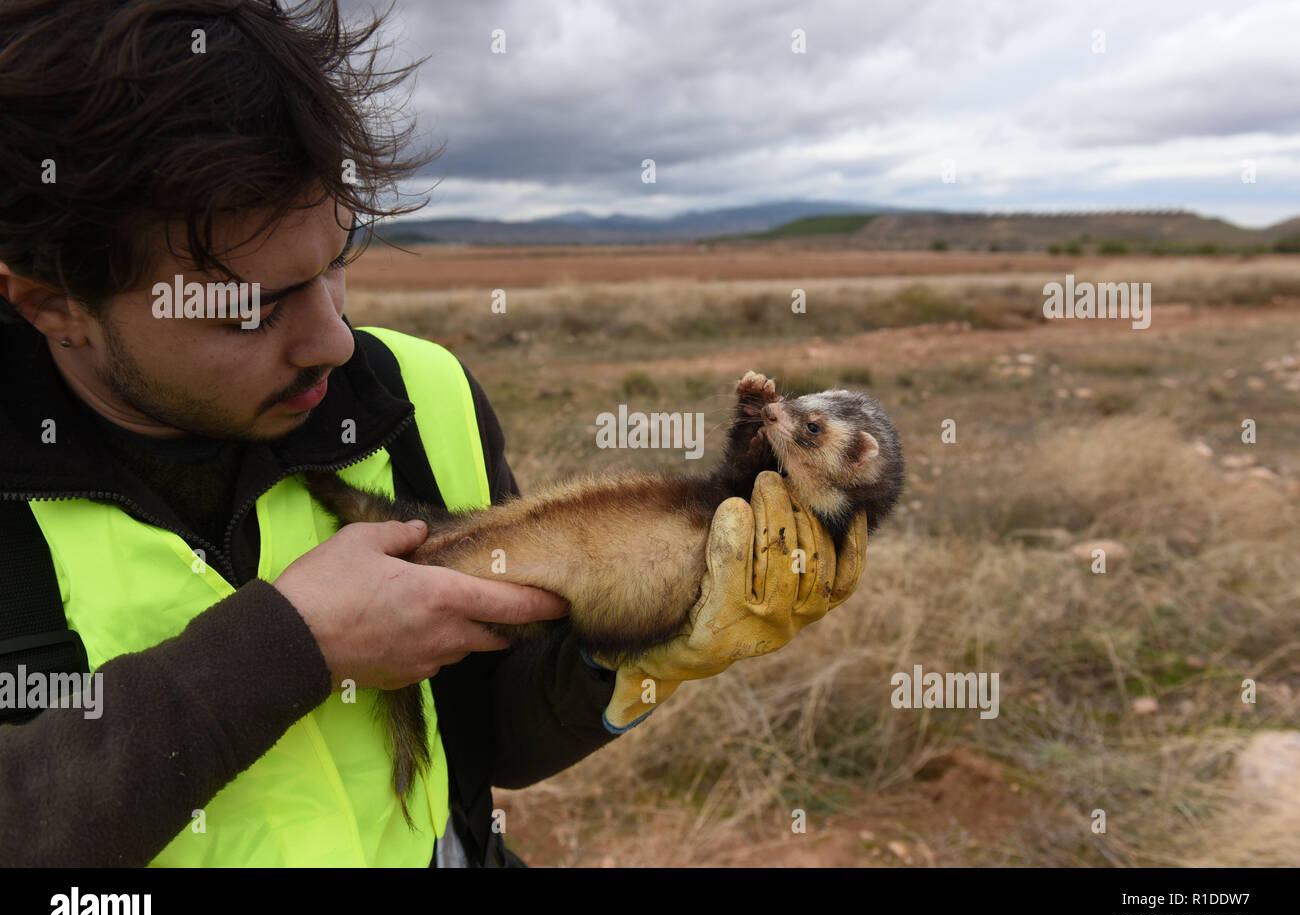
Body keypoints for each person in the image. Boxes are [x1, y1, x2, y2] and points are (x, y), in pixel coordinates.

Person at [0, 0, 869, 867]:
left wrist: (645, 643)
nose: (334, 341)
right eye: (252, 311)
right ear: (52, 303)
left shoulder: (421, 395)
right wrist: (294, 646)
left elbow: (489, 729)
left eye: (338, 257)